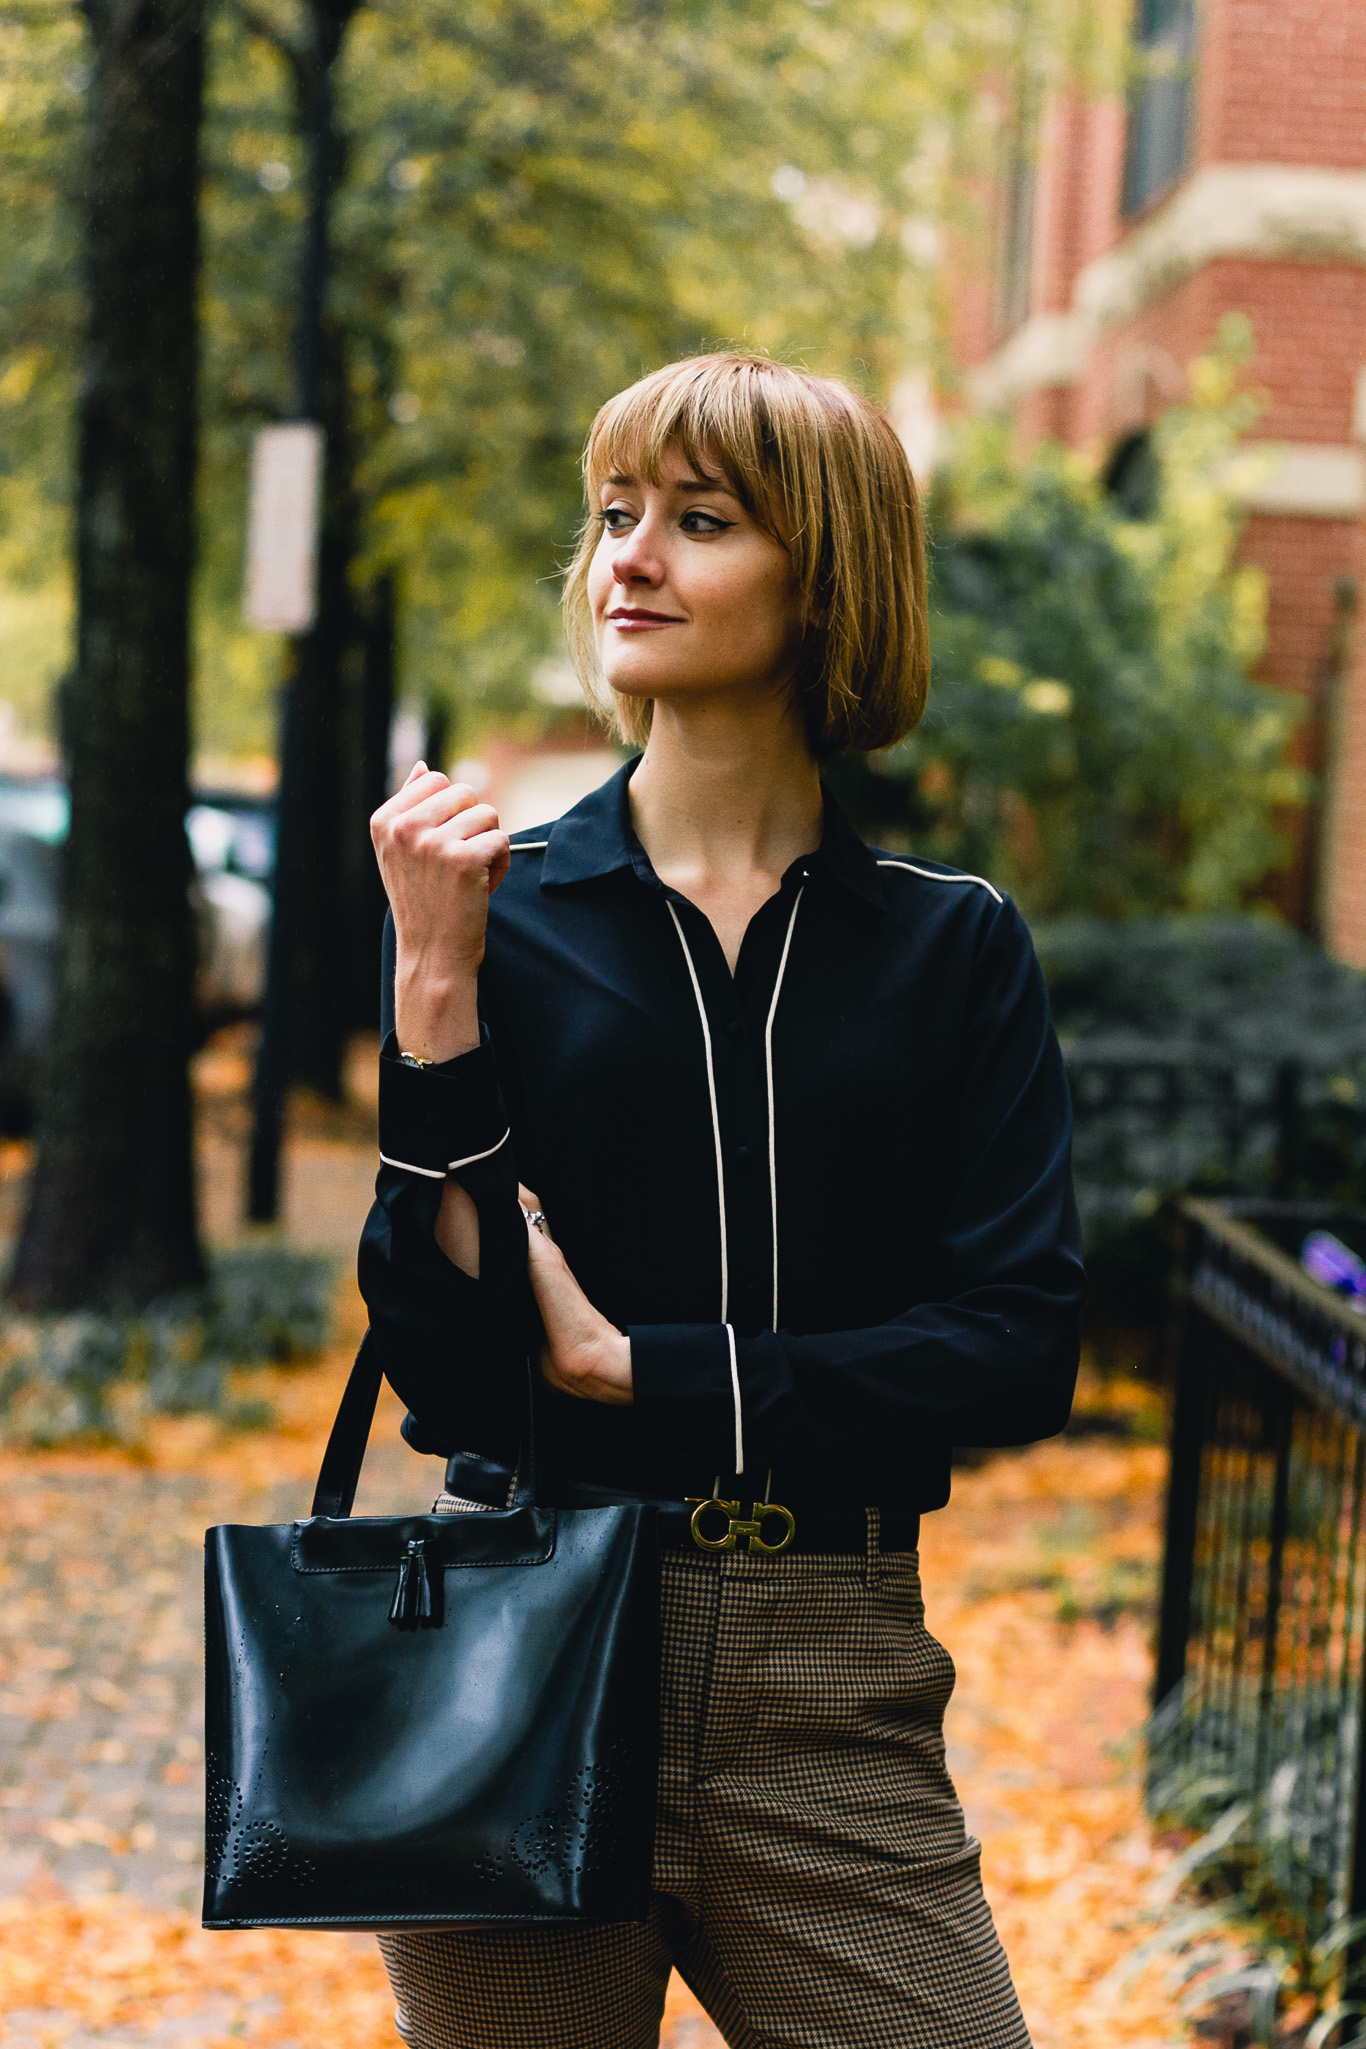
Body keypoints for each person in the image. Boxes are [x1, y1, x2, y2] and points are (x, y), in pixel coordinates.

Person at [361, 351, 1084, 2049]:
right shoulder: (496, 917)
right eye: (614, 517)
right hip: (529, 1654)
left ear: (822, 576)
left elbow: (1017, 1346)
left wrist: (642, 1368)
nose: (630, 558)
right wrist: (433, 993)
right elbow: (452, 1372)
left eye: (698, 520)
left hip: (831, 1673)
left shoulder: (949, 944)